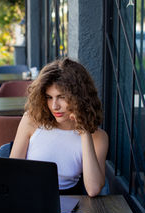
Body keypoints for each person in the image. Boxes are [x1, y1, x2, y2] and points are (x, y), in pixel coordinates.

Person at [10, 58, 109, 197]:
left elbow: (93, 189)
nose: (54, 106)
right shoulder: (31, 121)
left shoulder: (98, 137)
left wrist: (84, 131)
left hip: (69, 205)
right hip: (29, 196)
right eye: (49, 97)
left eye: (61, 97)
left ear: (80, 97)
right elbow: (12, 173)